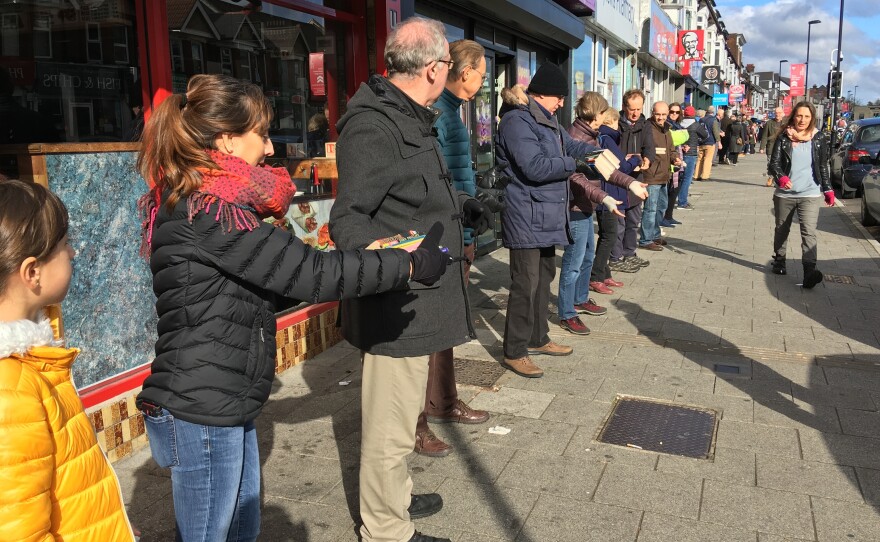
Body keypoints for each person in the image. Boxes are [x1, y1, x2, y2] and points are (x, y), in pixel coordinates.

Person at [136, 73, 449, 542]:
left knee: (240, 529)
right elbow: (312, 275)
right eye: (260, 134)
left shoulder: (218, 207)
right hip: (201, 406)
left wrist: (376, 257)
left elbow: (280, 281)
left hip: (222, 396)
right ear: (225, 139)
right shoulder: (211, 211)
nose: (267, 148)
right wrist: (401, 266)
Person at [329, 17, 490, 542]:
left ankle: (393, 498)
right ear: (434, 68)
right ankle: (385, 529)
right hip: (396, 303)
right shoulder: (375, 124)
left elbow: (414, 196)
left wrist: (468, 206)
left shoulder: (410, 114)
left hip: (418, 301)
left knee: (400, 424)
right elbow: (349, 222)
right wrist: (400, 262)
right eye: (449, 65)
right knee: (389, 429)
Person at [0, 180, 137, 542]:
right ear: (32, 272)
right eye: (63, 245)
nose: (73, 252)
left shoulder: (33, 361)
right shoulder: (10, 391)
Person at [495, 62, 601, 378]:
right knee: (525, 284)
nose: (562, 103)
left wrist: (598, 152)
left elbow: (572, 146)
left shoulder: (549, 119)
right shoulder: (517, 121)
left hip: (544, 213)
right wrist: (575, 163)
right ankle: (514, 352)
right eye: (559, 97)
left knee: (543, 278)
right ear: (543, 94)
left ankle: (538, 338)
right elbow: (535, 167)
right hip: (525, 213)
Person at [413, 38, 490, 459]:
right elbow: (439, 183)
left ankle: (441, 402)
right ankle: (417, 421)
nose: (482, 82)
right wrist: (461, 236)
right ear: (465, 71)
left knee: (446, 328)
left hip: (457, 227)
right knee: (428, 331)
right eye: (481, 73)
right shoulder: (437, 112)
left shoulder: (449, 111)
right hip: (440, 235)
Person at [560, 92, 647, 337]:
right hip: (576, 206)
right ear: (596, 115)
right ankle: (567, 312)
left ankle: (580, 298)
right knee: (573, 263)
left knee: (587, 255)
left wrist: (630, 183)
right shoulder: (577, 138)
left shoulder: (591, 136)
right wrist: (605, 197)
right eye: (603, 113)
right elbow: (576, 178)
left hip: (587, 205)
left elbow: (608, 169)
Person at [768, 100, 833, 289]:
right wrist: (781, 178)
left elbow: (822, 165)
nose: (802, 120)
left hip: (810, 193)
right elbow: (774, 164)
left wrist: (827, 189)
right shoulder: (784, 137)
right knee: (782, 229)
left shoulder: (818, 138)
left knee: (809, 232)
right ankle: (779, 261)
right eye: (799, 115)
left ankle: (809, 272)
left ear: (812, 118)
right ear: (793, 116)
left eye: (806, 116)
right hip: (785, 194)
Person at [601, 109, 647, 276]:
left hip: (615, 188)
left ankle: (610, 265)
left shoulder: (605, 137)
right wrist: (635, 159)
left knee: (621, 227)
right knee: (614, 230)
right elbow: (621, 167)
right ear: (612, 121)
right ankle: (614, 260)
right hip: (612, 188)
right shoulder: (607, 138)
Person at [614, 89, 656, 269]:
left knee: (633, 220)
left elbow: (649, 146)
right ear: (624, 107)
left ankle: (629, 253)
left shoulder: (644, 124)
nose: (635, 113)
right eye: (632, 109)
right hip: (618, 179)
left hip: (637, 179)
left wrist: (648, 159)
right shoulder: (615, 123)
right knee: (618, 223)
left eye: (639, 109)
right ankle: (615, 257)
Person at [639, 101, 678, 252]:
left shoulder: (667, 129)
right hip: (651, 175)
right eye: (657, 114)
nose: (660, 118)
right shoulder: (647, 128)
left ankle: (655, 234)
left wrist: (675, 158)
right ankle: (646, 239)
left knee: (661, 206)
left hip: (664, 174)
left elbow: (671, 149)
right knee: (650, 209)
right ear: (652, 113)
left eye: (663, 114)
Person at [676, 104, 708, 212]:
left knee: (678, 178)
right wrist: (697, 141)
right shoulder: (696, 125)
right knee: (687, 178)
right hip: (691, 152)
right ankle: (682, 202)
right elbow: (705, 136)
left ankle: (677, 198)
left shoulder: (678, 124)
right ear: (693, 114)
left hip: (678, 153)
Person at [761, 106, 785, 186]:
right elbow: (764, 136)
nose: (777, 114)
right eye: (776, 113)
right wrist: (762, 147)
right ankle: (770, 177)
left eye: (779, 113)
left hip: (782, 147)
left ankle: (776, 180)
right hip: (771, 146)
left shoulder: (786, 123)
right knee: (770, 164)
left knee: (780, 164)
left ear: (782, 113)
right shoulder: (769, 123)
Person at [695, 105, 718, 181]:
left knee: (700, 159)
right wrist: (718, 140)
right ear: (713, 111)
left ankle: (696, 175)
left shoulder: (701, 119)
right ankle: (705, 176)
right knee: (708, 159)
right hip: (710, 142)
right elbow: (715, 132)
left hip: (701, 141)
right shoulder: (713, 120)